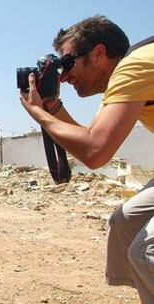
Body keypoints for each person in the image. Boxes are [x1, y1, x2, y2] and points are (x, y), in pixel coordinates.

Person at [20, 15, 154, 303]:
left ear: (98, 53)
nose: (63, 76)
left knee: (147, 252)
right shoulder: (125, 78)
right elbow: (87, 138)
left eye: (66, 63)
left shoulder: (134, 67)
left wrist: (38, 114)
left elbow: (95, 152)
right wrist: (51, 106)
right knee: (124, 225)